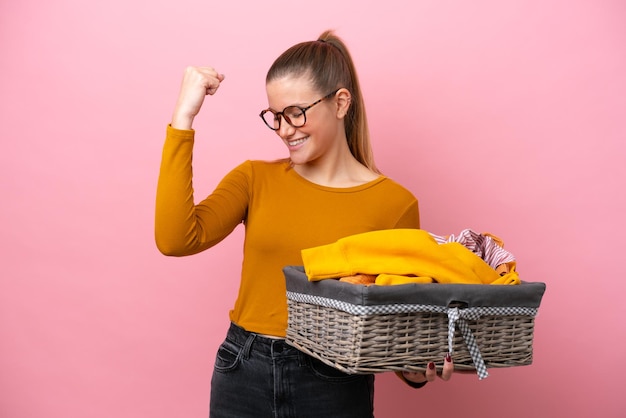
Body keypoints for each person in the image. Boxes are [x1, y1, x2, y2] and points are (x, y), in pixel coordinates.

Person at [155, 30, 453, 418]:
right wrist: (184, 117)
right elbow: (175, 239)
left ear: (340, 102)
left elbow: (393, 325)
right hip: (243, 371)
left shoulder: (394, 205)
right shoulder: (254, 179)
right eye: (275, 116)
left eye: (296, 112)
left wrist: (416, 370)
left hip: (335, 381)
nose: (283, 129)